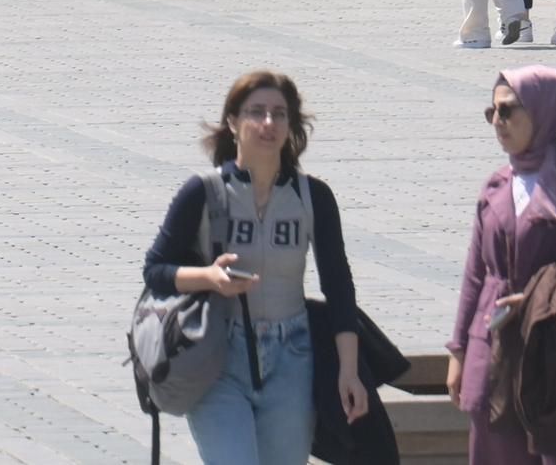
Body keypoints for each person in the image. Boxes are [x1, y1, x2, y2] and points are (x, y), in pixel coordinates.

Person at [145, 70, 385, 465]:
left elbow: (338, 287)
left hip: (292, 354)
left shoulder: (313, 197)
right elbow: (155, 270)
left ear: (292, 125)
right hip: (218, 355)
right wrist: (208, 278)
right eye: (256, 112)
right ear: (233, 123)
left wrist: (348, 370)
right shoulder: (202, 192)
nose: (268, 123)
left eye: (279, 113)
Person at [448, 65, 556, 465]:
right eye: (492, 112)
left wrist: (540, 300)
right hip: (491, 350)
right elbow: (476, 273)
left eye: (508, 111)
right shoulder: (495, 185)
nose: (498, 122)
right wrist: (459, 351)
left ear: (543, 112)